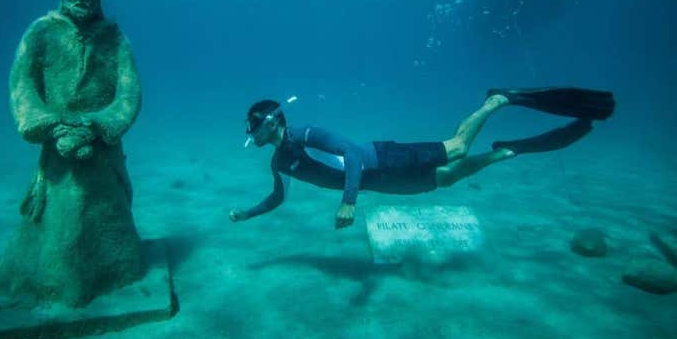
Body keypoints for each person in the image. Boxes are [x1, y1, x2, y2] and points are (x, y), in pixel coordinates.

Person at [229, 88, 615, 230]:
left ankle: (496, 101)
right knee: (446, 178)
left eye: (252, 125)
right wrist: (248, 213)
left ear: (271, 121)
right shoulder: (280, 162)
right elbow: (278, 197)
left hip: (383, 158)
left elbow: (351, 153)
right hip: (379, 182)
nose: (250, 133)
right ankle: (506, 151)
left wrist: (348, 202)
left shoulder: (304, 133)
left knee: (458, 147)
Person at [0, 0, 144, 306]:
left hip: (101, 149)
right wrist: (50, 125)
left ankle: (114, 271)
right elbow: (22, 84)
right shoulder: (41, 31)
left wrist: (99, 123)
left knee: (107, 212)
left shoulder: (115, 38)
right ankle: (57, 282)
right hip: (58, 150)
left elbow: (129, 90)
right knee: (60, 221)